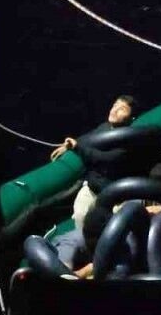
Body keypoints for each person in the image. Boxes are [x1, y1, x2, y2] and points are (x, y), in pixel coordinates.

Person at [50, 96, 137, 231]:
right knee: (80, 214)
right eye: (115, 105)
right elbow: (88, 139)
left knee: (116, 225)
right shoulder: (104, 127)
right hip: (93, 188)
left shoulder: (129, 140)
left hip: (115, 195)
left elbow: (105, 158)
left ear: (131, 118)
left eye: (122, 109)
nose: (114, 110)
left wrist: (77, 147)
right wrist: (69, 145)